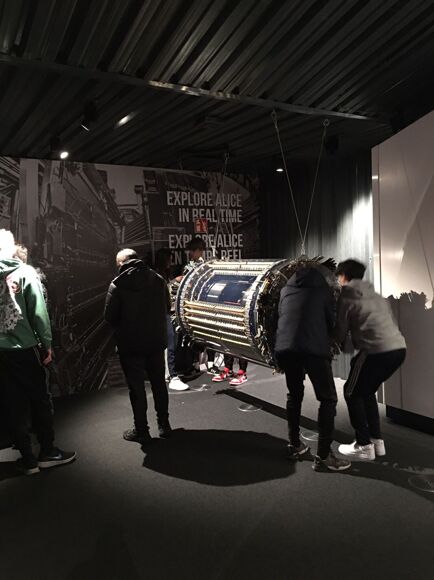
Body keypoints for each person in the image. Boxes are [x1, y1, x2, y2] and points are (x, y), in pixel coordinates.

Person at [0, 229, 76, 475]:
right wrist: (47, 344)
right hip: (25, 348)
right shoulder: (25, 273)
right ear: (11, 248)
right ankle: (47, 451)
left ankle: (27, 459)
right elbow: (39, 314)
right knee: (40, 400)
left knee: (12, 403)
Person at [274, 266, 351, 472]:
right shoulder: (323, 292)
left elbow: (281, 316)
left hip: (286, 348)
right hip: (313, 349)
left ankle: (294, 445)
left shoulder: (285, 291)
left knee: (294, 395)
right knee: (328, 399)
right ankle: (324, 455)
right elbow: (331, 321)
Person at [334, 259, 406, 460]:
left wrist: (328, 343)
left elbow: (340, 331)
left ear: (343, 276)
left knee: (350, 392)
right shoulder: (375, 295)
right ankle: (376, 442)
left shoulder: (347, 295)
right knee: (366, 392)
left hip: (376, 352)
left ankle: (363, 445)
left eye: (338, 277)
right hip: (398, 350)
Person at [104, 248, 172, 443]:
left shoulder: (117, 284)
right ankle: (164, 425)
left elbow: (109, 316)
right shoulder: (158, 279)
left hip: (130, 344)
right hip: (155, 342)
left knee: (136, 388)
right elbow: (167, 307)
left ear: (121, 263)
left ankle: (142, 429)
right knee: (159, 384)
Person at [154, 248, 189, 392]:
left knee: (169, 344)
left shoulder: (160, 274)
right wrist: (175, 281)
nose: (170, 262)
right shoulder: (157, 275)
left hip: (163, 312)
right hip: (162, 313)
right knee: (170, 344)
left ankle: (169, 374)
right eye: (169, 259)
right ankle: (173, 376)